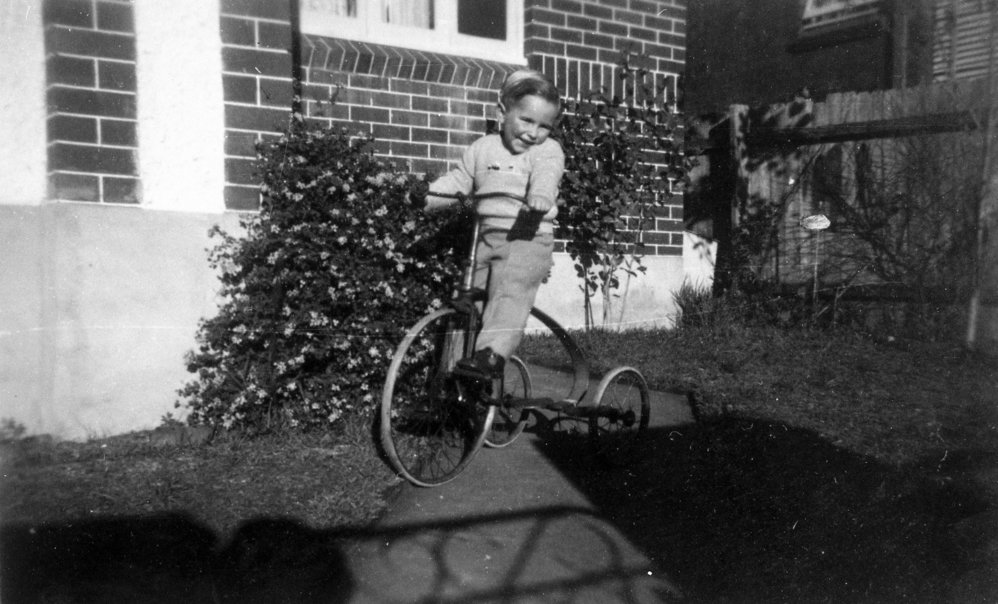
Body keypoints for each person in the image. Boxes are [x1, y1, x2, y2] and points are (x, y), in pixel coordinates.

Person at [410, 69, 565, 382]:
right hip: (484, 239)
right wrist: (426, 197)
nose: (534, 133)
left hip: (527, 237)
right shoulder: (482, 148)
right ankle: (450, 375)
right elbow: (458, 181)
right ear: (502, 114)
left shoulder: (547, 151)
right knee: (466, 302)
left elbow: (547, 176)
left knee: (510, 290)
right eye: (526, 120)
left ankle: (491, 354)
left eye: (544, 126)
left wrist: (539, 196)